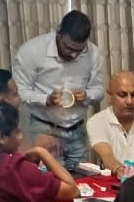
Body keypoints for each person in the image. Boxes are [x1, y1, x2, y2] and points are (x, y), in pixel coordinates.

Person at [13, 10, 105, 171]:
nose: (73, 54)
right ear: (58, 33)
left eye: (79, 50)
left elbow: (98, 90)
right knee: (50, 180)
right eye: (68, 48)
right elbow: (20, 91)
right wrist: (45, 100)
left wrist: (87, 96)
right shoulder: (32, 51)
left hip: (77, 129)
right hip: (45, 128)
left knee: (83, 180)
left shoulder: (93, 53)